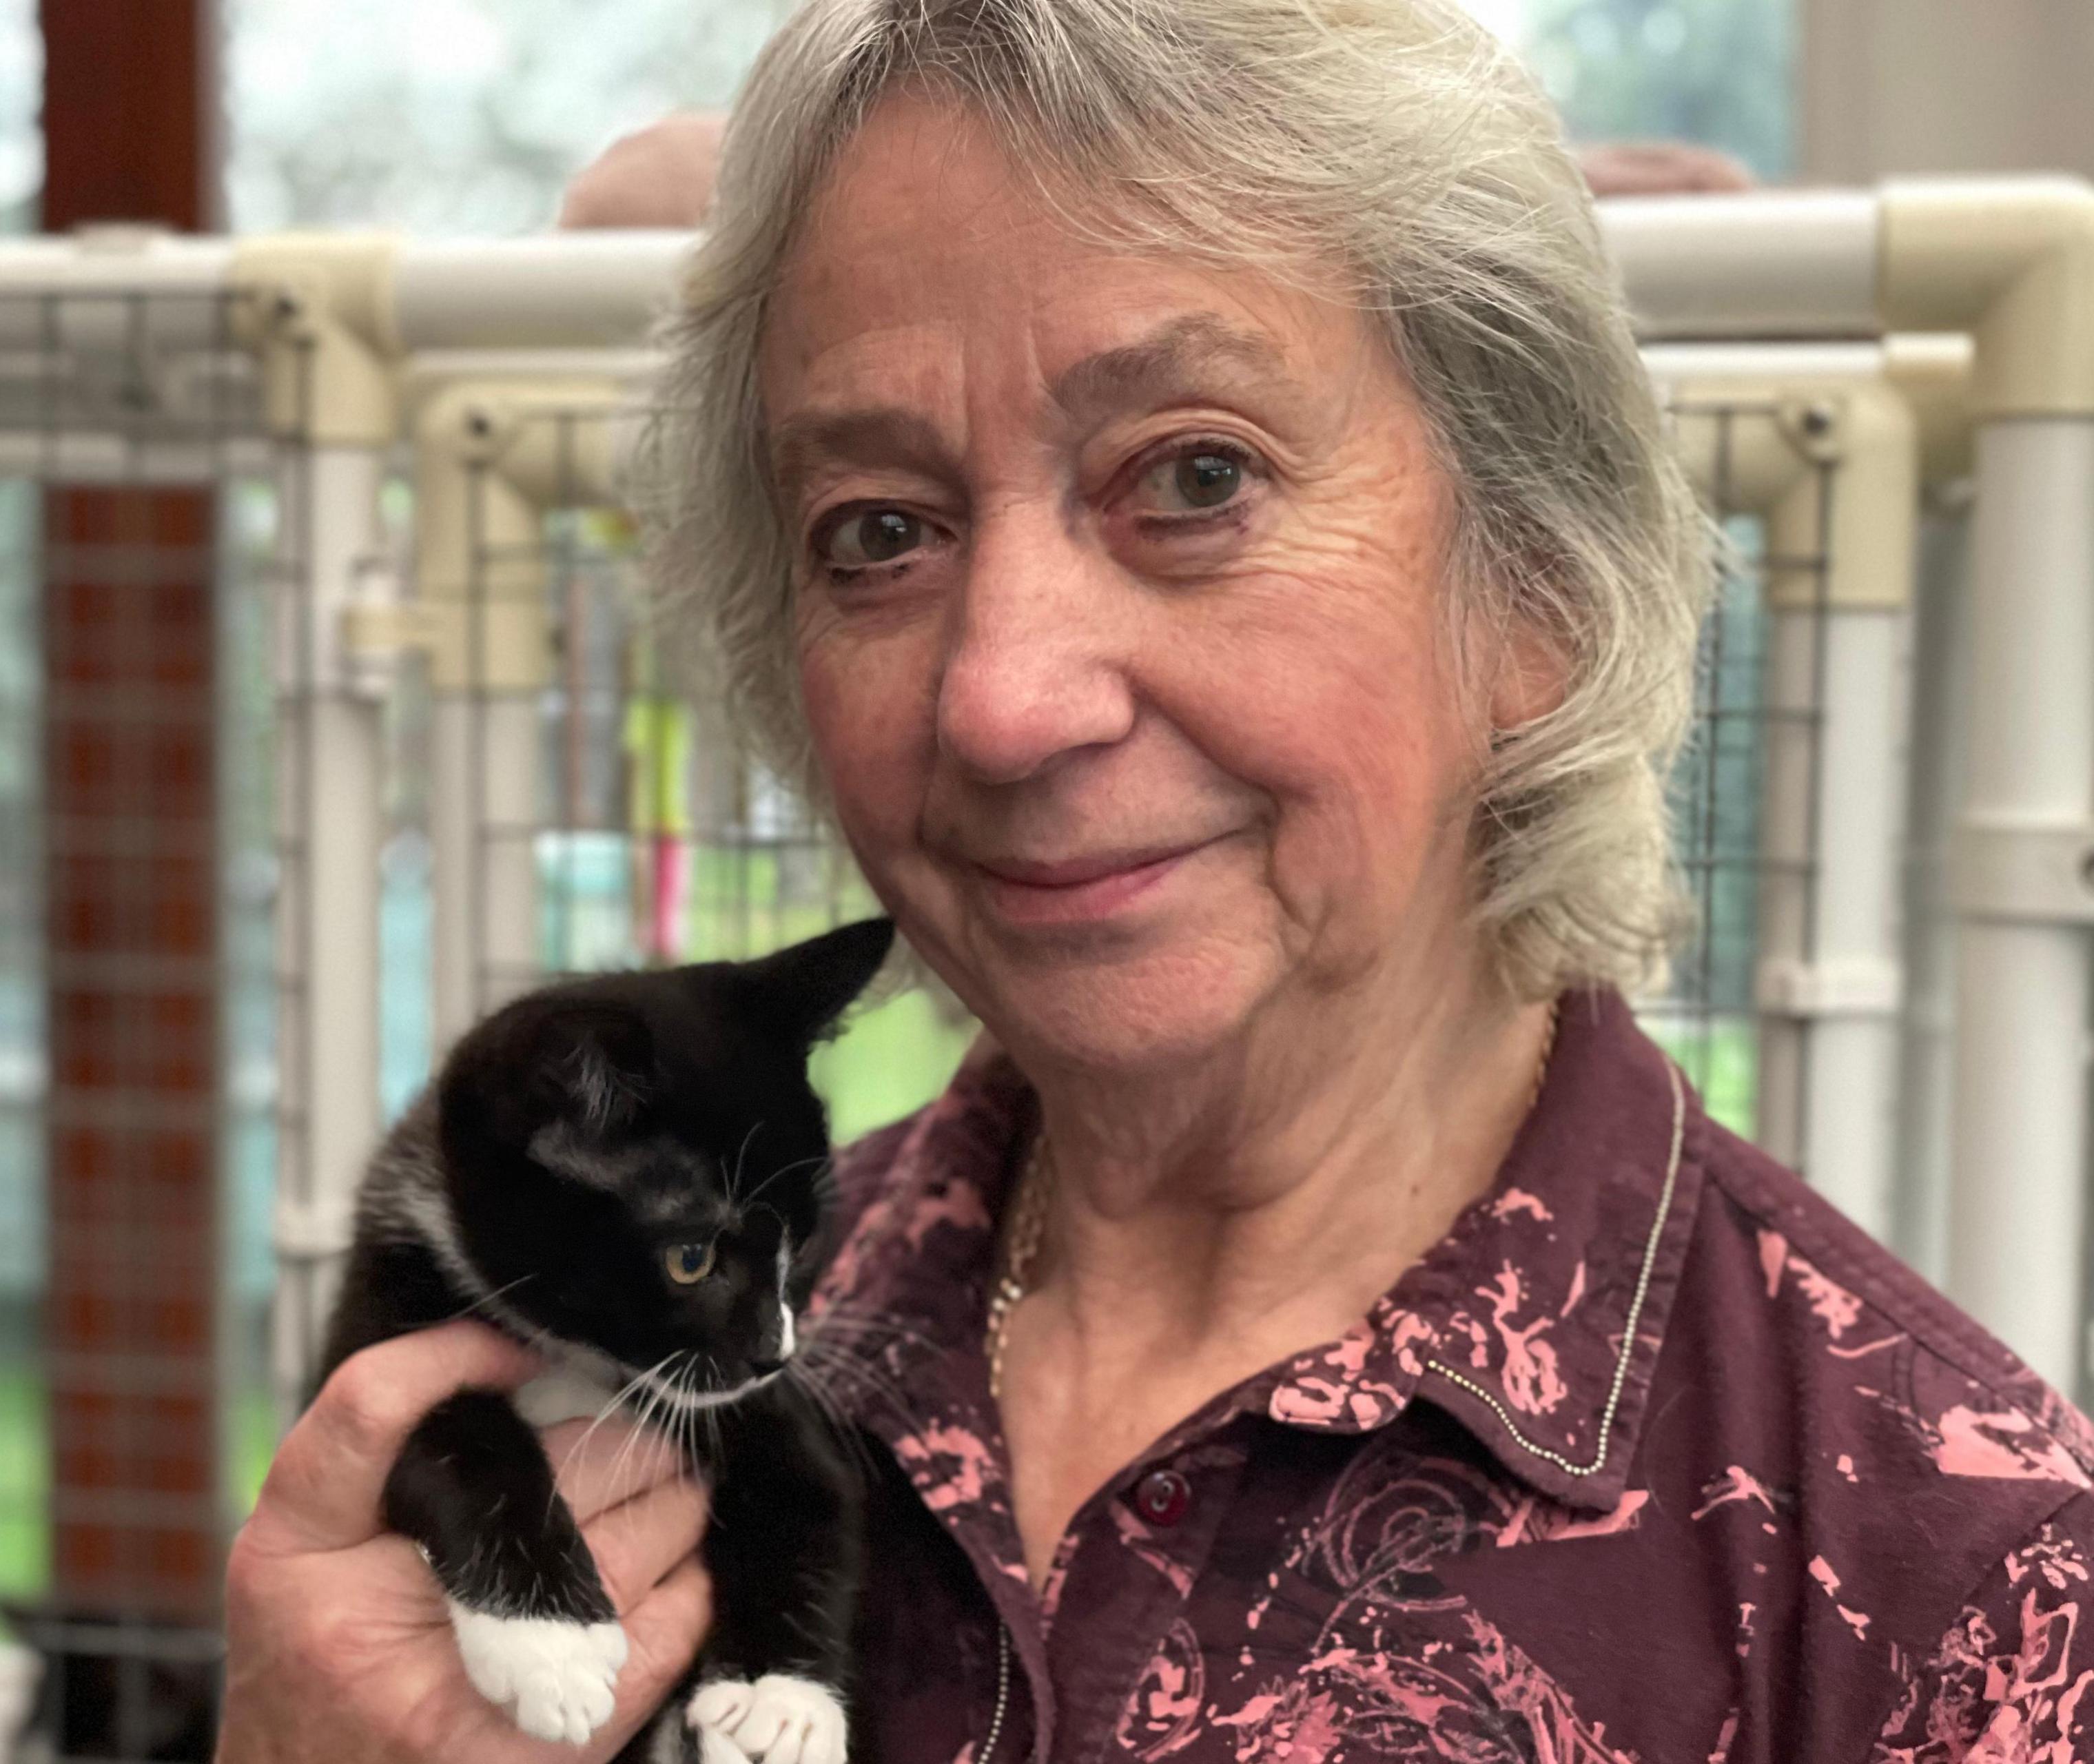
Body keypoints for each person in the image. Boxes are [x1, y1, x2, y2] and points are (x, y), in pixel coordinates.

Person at [217, 3, 2094, 1760]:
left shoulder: (1949, 1576)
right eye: (878, 531)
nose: (1004, 698)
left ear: (1533, 581)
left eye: (1196, 478)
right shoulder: (640, 1349)